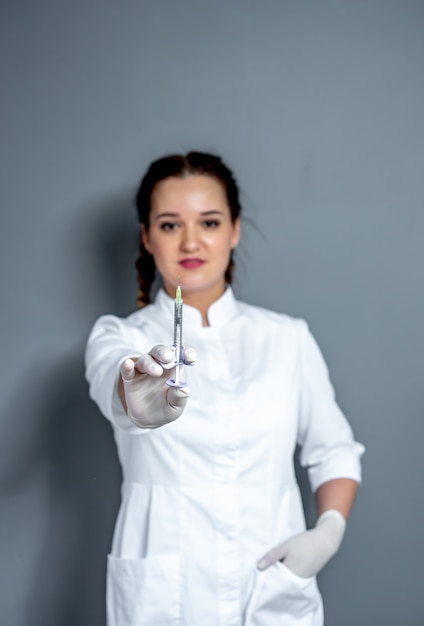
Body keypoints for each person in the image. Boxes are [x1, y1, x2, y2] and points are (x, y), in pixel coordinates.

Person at [85, 151, 364, 626]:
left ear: (234, 229)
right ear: (147, 237)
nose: (191, 241)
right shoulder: (119, 337)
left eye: (209, 222)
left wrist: (328, 533)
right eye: (170, 225)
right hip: (166, 597)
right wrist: (137, 394)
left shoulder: (286, 338)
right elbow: (117, 384)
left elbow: (335, 450)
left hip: (271, 584)